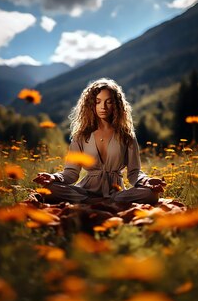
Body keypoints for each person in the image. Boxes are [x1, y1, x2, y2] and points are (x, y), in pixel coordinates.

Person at [33, 78, 165, 208]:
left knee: (150, 194)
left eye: (109, 102)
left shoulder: (127, 136)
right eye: (98, 102)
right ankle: (97, 202)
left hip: (117, 193)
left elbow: (134, 173)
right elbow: (71, 173)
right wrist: (53, 177)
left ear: (117, 105)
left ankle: (100, 202)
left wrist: (147, 181)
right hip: (85, 192)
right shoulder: (80, 136)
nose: (103, 107)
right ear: (91, 105)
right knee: (50, 189)